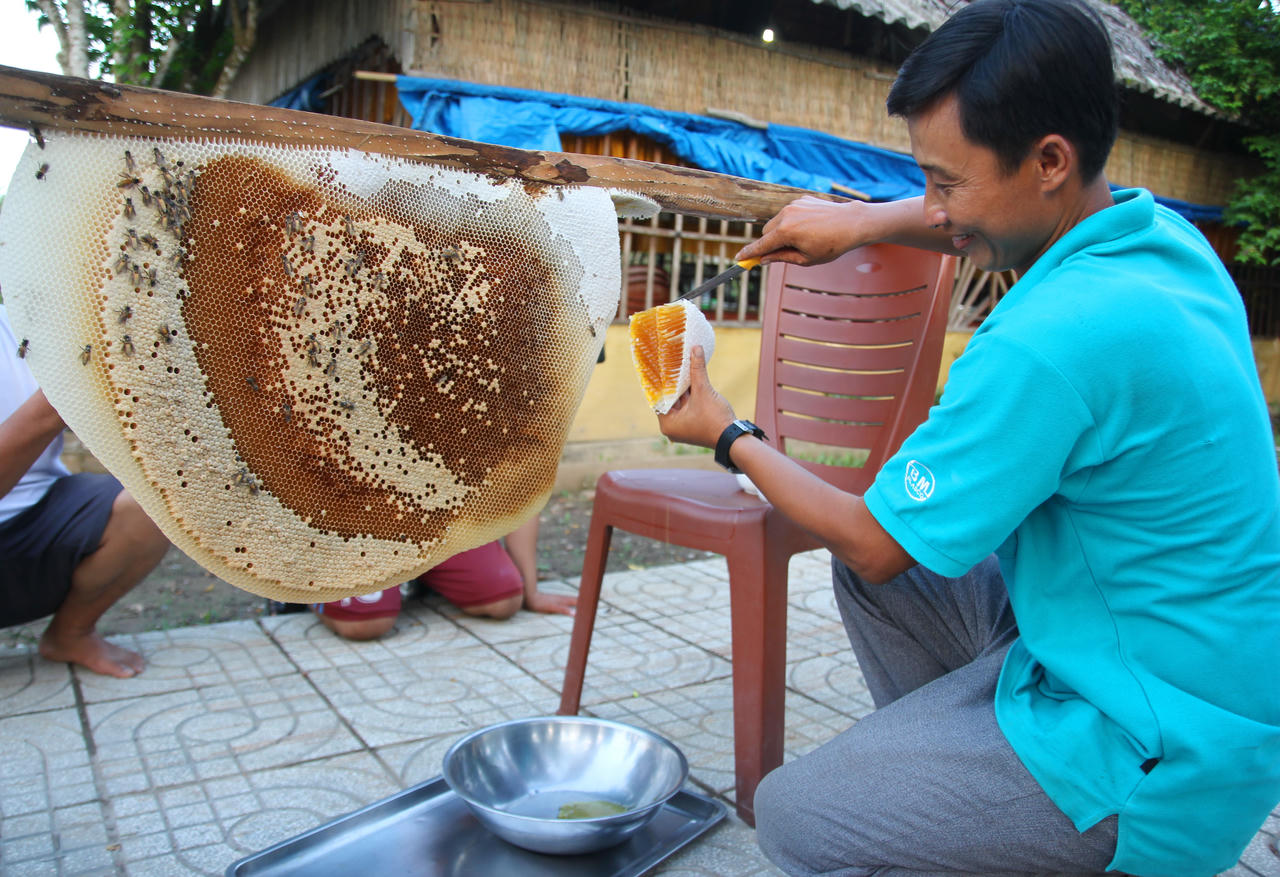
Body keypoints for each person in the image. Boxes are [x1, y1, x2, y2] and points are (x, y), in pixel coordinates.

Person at [658, 0, 1280, 874]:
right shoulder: (1156, 238)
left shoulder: (1050, 339)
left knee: (796, 815)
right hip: (1193, 681)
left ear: (1049, 160)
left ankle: (1025, 821)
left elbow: (878, 542)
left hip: (1159, 754)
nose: (935, 207)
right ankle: (973, 807)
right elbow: (885, 562)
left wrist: (727, 433)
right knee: (891, 579)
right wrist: (863, 223)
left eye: (946, 184)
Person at [0, 305, 170, 678]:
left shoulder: (20, 323)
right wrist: (57, 403)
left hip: (39, 520)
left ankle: (71, 633)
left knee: (155, 503)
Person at [311, 516, 575, 641]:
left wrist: (532, 592)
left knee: (503, 599)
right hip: (356, 513)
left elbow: (522, 478)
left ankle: (418, 576)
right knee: (366, 623)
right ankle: (303, 584)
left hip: (438, 513)